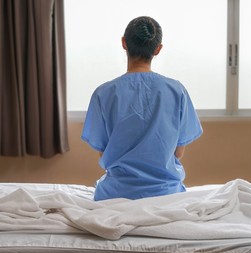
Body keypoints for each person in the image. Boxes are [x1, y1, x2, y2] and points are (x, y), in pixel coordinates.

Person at [81, 16, 203, 201]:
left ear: (124, 43)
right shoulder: (177, 90)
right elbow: (178, 152)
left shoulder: (103, 93)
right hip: (167, 196)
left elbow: (104, 152)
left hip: (115, 196)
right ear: (158, 49)